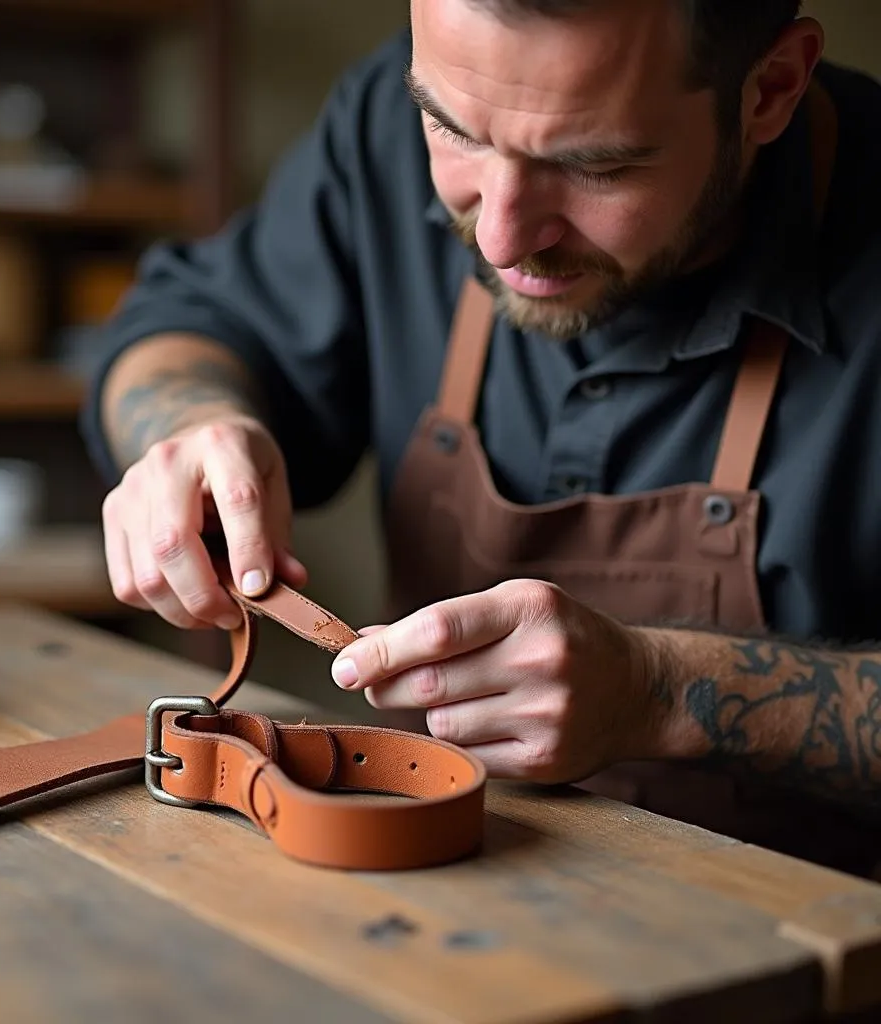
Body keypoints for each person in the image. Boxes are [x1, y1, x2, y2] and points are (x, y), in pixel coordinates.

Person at [81, 0, 881, 876]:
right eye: (452, 132)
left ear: (770, 89)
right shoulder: (388, 125)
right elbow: (187, 324)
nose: (499, 236)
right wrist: (191, 425)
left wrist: (664, 691)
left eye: (595, 165)